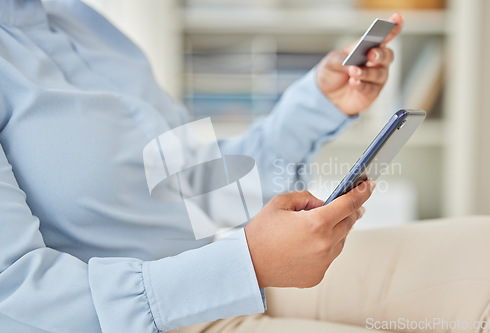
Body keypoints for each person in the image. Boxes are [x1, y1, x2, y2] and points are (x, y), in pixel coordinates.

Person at [0, 1, 402, 332]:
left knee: (466, 257)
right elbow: (19, 293)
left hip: (223, 285)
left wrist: (318, 105)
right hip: (157, 313)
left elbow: (197, 188)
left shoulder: (81, 23)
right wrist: (245, 264)